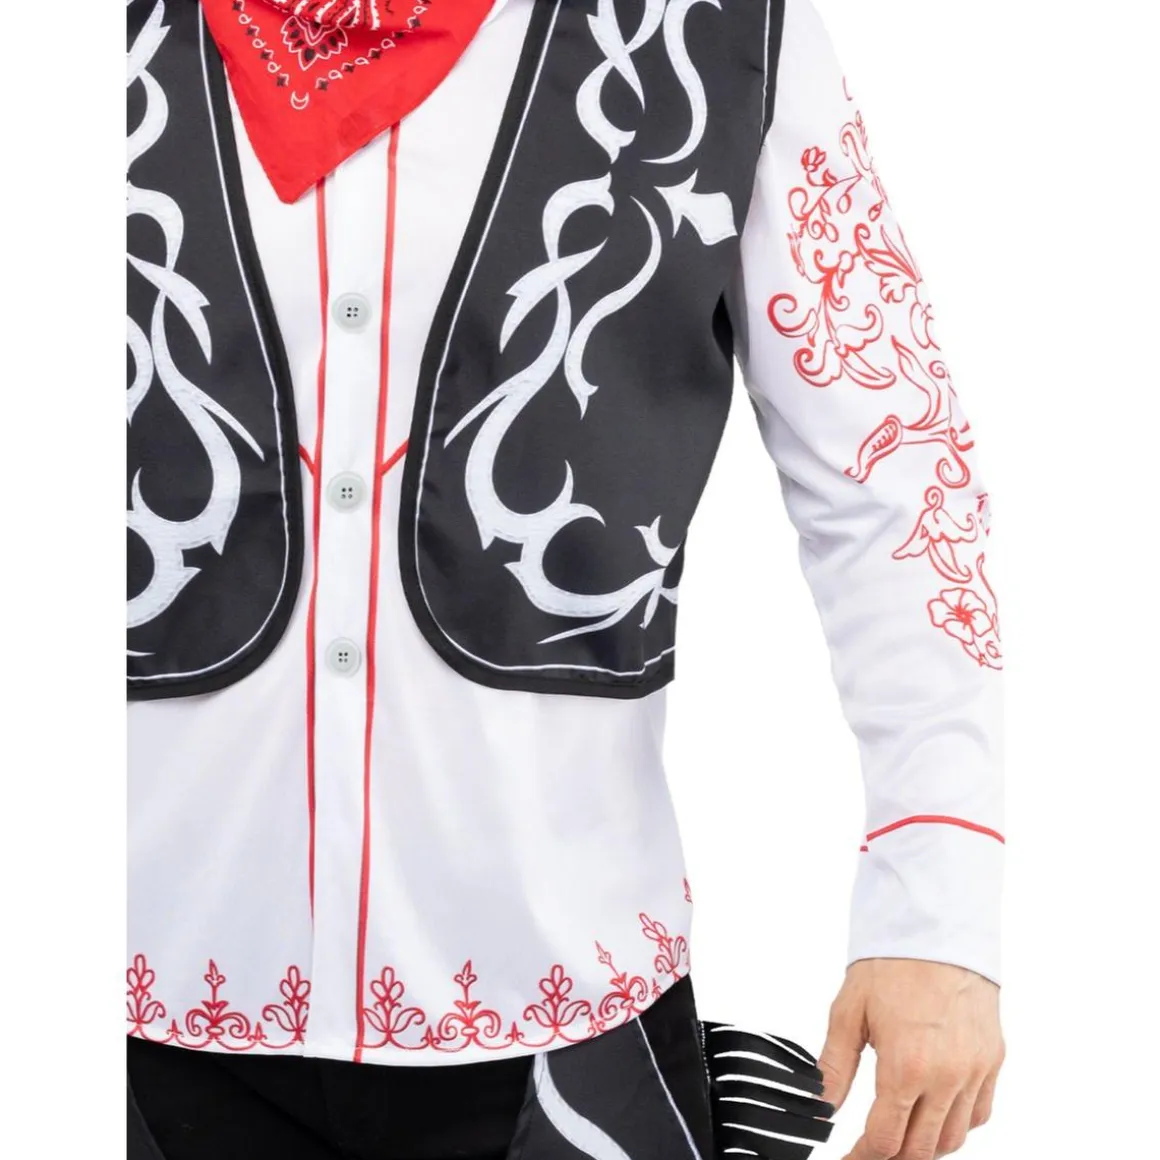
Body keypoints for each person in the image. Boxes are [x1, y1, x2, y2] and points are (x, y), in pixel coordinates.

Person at [125, 1, 1005, 1158]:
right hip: (130, 1004)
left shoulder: (719, 34)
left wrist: (936, 905)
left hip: (564, 1024)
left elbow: (893, 474)